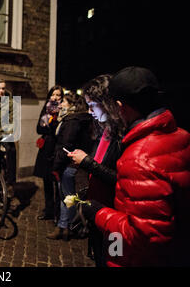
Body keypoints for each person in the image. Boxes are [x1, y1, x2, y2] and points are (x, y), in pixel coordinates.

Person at [81, 66, 190, 267]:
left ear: (119, 106)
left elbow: (143, 235)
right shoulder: (182, 136)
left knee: (109, 256)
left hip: (131, 250)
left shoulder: (139, 155)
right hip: (169, 251)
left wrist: (98, 212)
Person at [67, 74, 125, 266]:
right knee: (100, 258)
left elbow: (122, 180)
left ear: (107, 103)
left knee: (113, 259)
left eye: (93, 105)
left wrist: (87, 163)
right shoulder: (104, 131)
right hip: (99, 213)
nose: (89, 111)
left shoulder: (122, 137)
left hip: (115, 219)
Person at [47, 93, 93, 241]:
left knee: (67, 197)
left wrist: (56, 165)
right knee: (67, 197)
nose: (61, 105)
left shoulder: (72, 120)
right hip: (72, 164)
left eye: (64, 102)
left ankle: (66, 227)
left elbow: (65, 145)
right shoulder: (79, 118)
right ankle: (63, 227)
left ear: (72, 105)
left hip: (68, 165)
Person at [34, 85, 64, 221]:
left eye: (58, 95)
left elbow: (56, 129)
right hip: (46, 148)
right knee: (46, 181)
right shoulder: (47, 108)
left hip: (56, 148)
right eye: (53, 94)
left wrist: (48, 127)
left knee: (57, 182)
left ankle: (58, 213)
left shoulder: (62, 110)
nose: (55, 97)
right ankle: (48, 211)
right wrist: (48, 127)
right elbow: (38, 129)